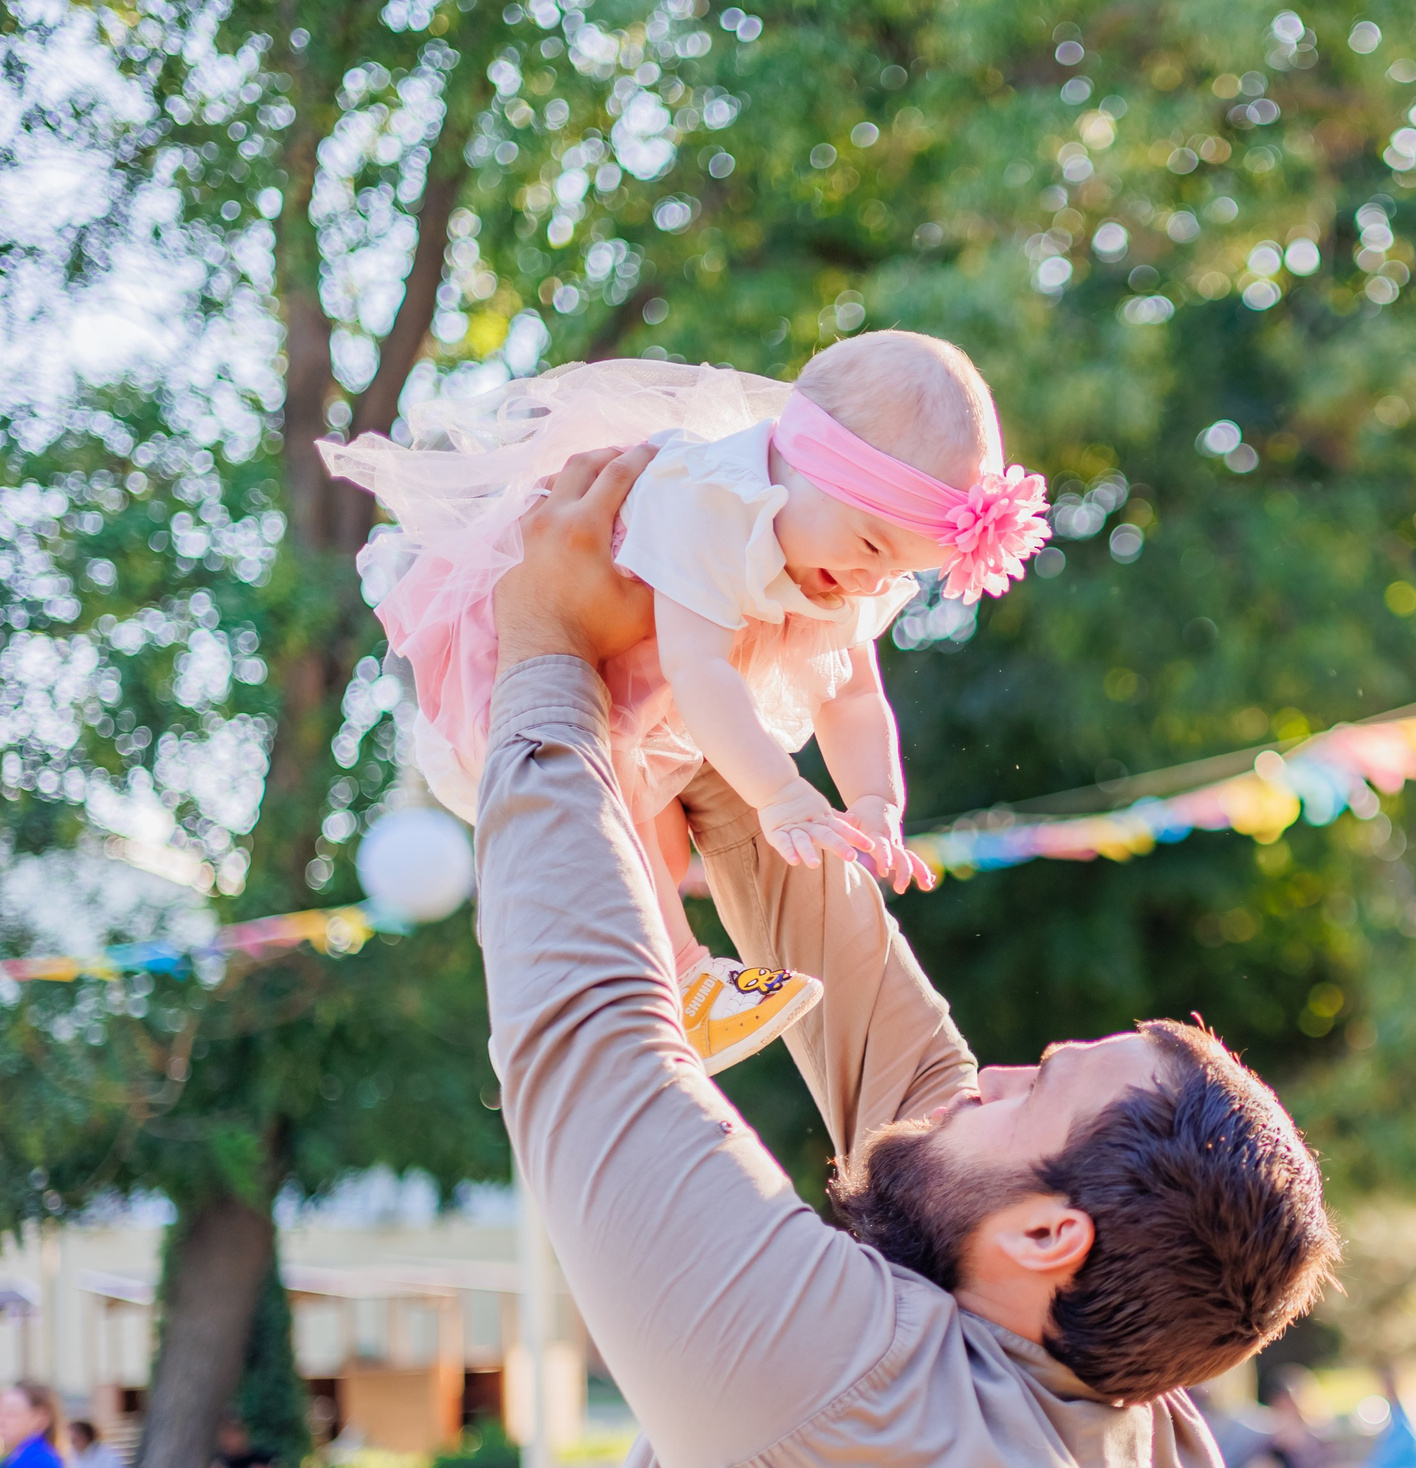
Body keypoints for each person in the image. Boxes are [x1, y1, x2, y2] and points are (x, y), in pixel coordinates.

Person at [474, 444, 1339, 1468]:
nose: (986, 1076)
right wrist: (717, 671)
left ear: (1049, 1233)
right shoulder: (1142, 1453)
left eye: (1030, 1090)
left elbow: (592, 1041)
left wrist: (547, 654)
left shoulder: (851, 1395)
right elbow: (877, 1014)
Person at [321, 333, 1051, 1073]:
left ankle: (583, 973)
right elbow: (698, 667)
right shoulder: (713, 501)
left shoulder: (842, 561)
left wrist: (875, 800)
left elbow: (855, 693)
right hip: (565, 640)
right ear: (804, 464)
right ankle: (678, 977)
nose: (871, 582)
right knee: (613, 813)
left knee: (664, 853)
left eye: (900, 571)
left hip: (645, 673)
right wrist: (781, 793)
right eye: (869, 546)